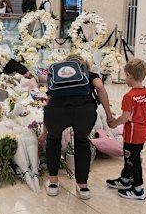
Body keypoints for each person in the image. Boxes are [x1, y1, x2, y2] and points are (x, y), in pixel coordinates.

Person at [38, 54, 115, 200]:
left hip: (57, 111)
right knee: (82, 142)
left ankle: (53, 183)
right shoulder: (90, 75)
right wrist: (109, 116)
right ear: (83, 65)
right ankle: (82, 186)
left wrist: (44, 133)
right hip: (83, 111)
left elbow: (49, 100)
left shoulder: (58, 75)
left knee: (53, 141)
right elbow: (100, 88)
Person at [106, 58, 146, 201]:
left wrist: (114, 123)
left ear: (129, 75)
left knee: (132, 160)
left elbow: (125, 117)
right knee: (133, 157)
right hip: (142, 132)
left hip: (132, 135)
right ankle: (125, 179)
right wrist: (142, 122)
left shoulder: (129, 96)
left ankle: (138, 189)